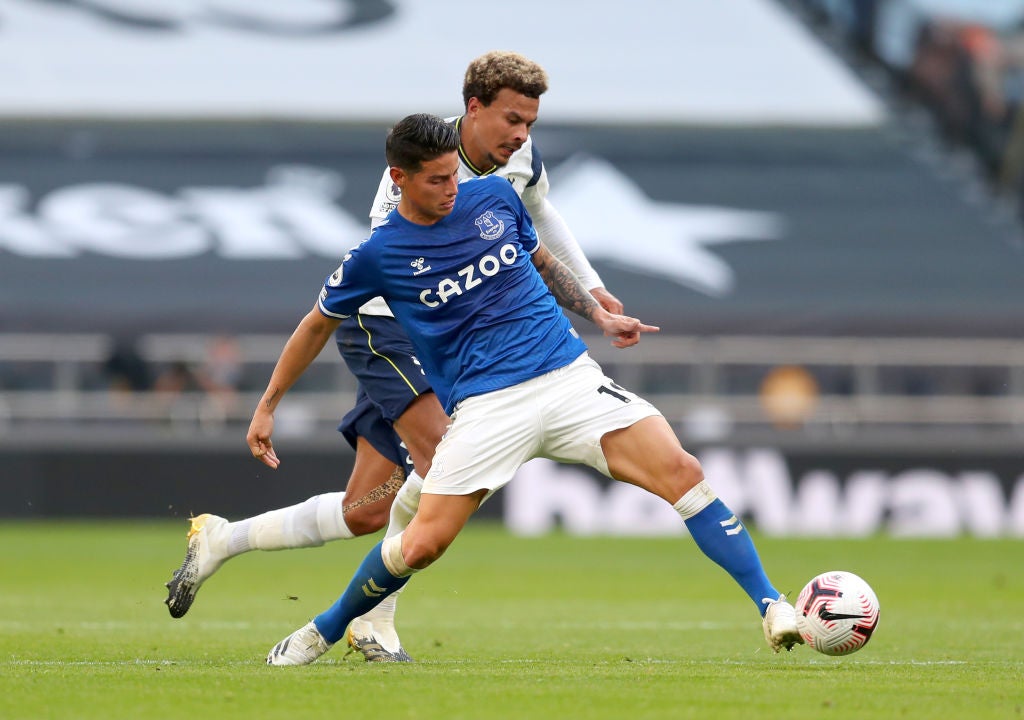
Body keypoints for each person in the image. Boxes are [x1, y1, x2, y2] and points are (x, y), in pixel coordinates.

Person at [251, 113, 803, 666]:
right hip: (488, 409)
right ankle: (323, 630)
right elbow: (316, 324)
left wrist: (597, 313)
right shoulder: (377, 255)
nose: (451, 190)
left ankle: (771, 604)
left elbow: (540, 259)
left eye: (453, 177)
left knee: (682, 472)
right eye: (436, 181)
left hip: (569, 379)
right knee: (421, 546)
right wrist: (268, 405)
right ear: (398, 177)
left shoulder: (493, 196)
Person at [163, 51, 622, 662]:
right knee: (447, 461)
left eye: (530, 123)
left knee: (366, 511)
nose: (521, 135)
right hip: (394, 329)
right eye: (512, 118)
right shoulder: (418, 168)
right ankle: (373, 622)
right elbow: (390, 261)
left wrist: (590, 290)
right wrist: (269, 402)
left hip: (452, 338)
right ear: (474, 110)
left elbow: (542, 217)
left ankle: (223, 538)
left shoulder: (522, 164)